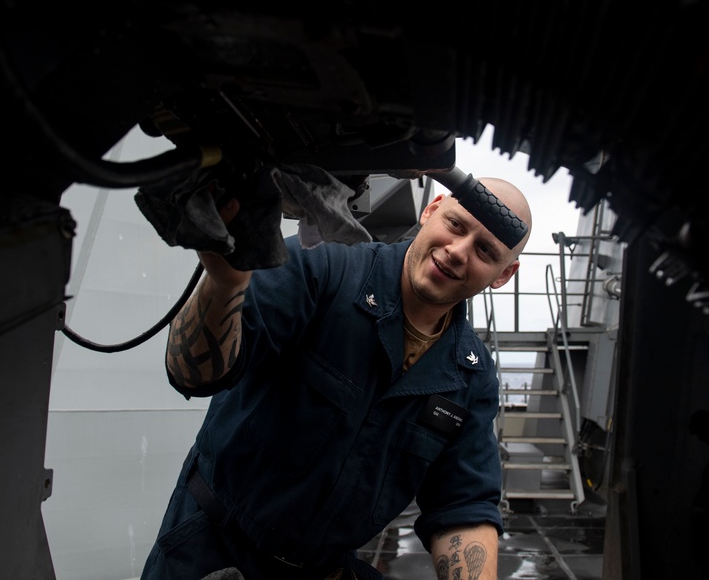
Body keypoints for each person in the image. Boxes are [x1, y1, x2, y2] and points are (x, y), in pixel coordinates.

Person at [141, 176, 532, 580]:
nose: (457, 252)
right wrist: (224, 284)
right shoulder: (323, 268)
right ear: (431, 210)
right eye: (456, 225)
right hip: (210, 553)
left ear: (504, 275)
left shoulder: (472, 374)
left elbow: (462, 508)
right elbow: (190, 374)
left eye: (485, 250)